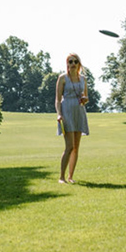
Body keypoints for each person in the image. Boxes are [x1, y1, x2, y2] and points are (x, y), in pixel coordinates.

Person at [55, 53, 89, 184]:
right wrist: (59, 114)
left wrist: (84, 99)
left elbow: (86, 98)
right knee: (69, 146)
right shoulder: (62, 78)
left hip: (79, 112)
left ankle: (70, 176)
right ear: (67, 64)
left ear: (79, 64)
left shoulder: (83, 79)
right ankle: (61, 177)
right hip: (66, 112)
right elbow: (58, 99)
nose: (73, 64)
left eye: (75, 62)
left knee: (76, 147)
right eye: (70, 62)